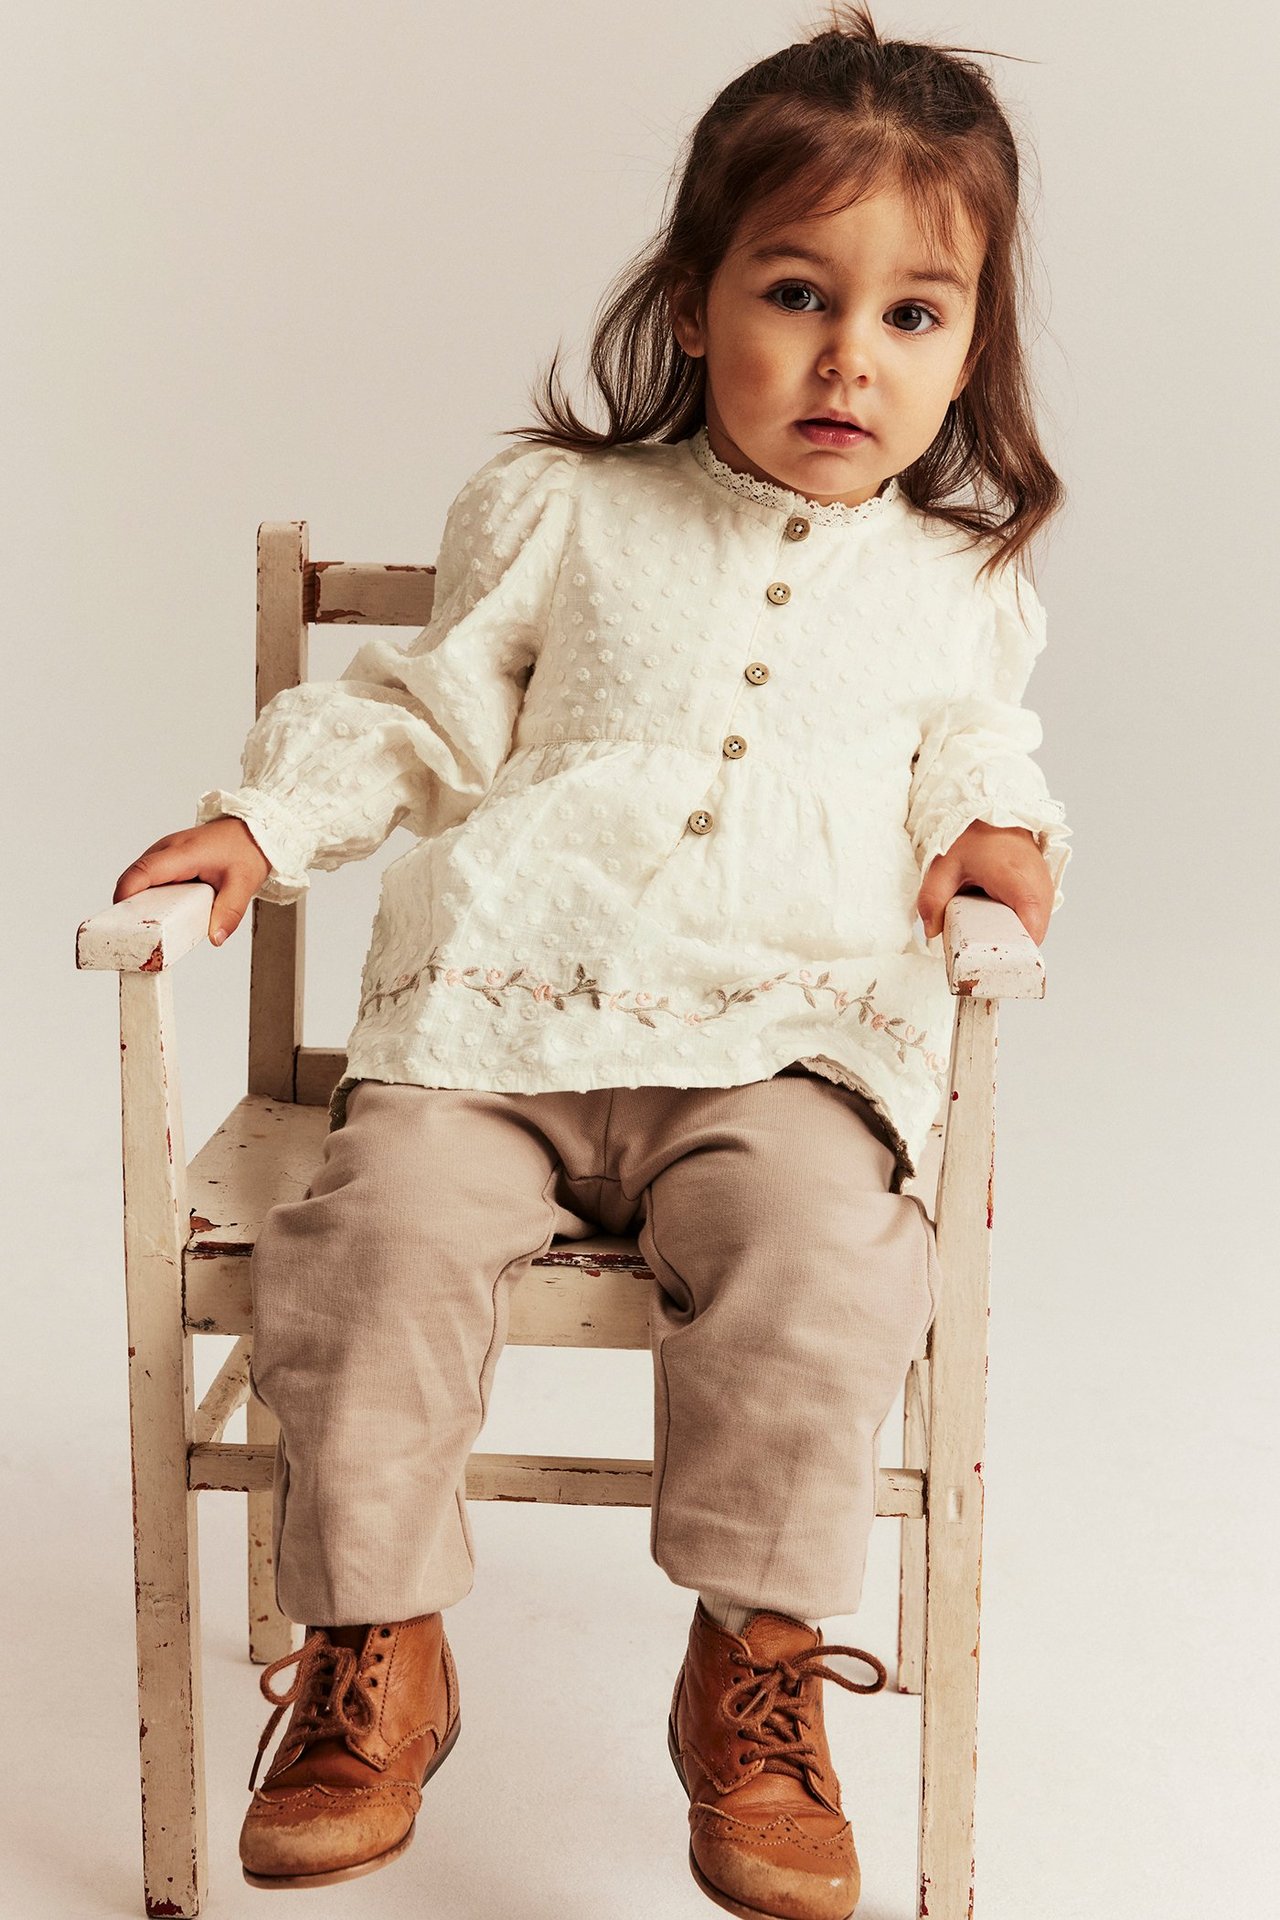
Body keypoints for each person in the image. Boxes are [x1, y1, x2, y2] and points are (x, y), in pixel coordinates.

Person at [113, 5, 1073, 1915]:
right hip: (495, 1026)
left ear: (973, 348)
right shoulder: (564, 509)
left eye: (914, 316)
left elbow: (986, 762)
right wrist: (260, 827)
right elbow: (421, 712)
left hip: (789, 1049)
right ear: (698, 298)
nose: (848, 357)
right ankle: (376, 1645)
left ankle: (758, 1660)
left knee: (824, 1262)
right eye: (799, 292)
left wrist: (998, 853)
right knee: (373, 1239)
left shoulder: (961, 584)